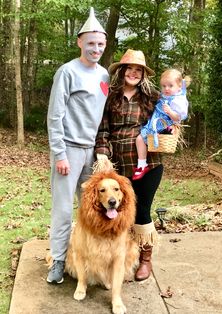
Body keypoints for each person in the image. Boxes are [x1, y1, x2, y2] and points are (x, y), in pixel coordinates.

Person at [46, 7, 109, 284]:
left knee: (92, 208)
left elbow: (102, 114)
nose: (96, 48)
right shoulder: (67, 72)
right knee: (63, 209)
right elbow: (55, 115)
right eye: (91, 43)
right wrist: (60, 153)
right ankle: (58, 262)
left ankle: (90, 259)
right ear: (80, 42)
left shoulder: (105, 75)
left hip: (92, 152)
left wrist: (101, 151)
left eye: (100, 44)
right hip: (68, 150)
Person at [95, 49, 163, 281]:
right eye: (129, 69)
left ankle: (145, 259)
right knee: (120, 212)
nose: (133, 73)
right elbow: (102, 130)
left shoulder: (152, 97)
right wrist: (102, 156)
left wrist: (171, 126)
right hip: (119, 166)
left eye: (138, 70)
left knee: (141, 209)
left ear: (143, 74)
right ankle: (123, 257)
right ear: (122, 71)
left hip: (149, 164)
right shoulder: (110, 97)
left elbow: (170, 115)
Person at [133, 68, 189, 180]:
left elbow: (178, 118)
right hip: (155, 123)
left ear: (179, 87)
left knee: (139, 139)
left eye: (170, 86)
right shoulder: (164, 97)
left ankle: (142, 164)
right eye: (164, 86)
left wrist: (170, 112)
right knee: (142, 137)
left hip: (162, 124)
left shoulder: (177, 100)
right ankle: (142, 164)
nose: (166, 89)